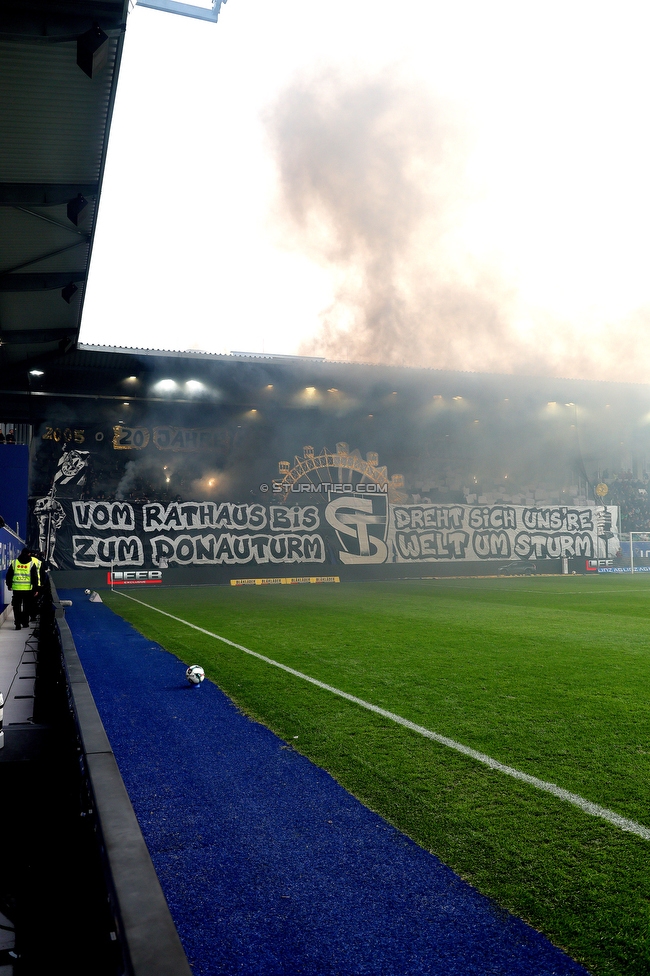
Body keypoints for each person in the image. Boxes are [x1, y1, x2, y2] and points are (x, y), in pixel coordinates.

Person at [6, 548, 39, 631]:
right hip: (28, 589)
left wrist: (9, 585)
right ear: (28, 554)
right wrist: (35, 589)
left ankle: (17, 623)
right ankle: (25, 623)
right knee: (26, 607)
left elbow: (9, 575)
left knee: (16, 607)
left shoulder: (14, 563)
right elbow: (34, 577)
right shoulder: (31, 564)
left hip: (16, 589)